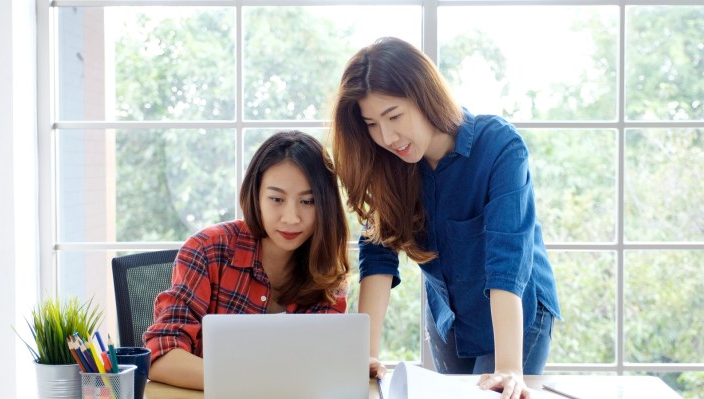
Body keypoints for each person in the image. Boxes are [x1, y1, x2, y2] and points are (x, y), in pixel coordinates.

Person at [330, 37, 561, 399]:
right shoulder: (388, 164)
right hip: (449, 316)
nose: (387, 137)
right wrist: (366, 355)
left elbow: (507, 261)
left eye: (394, 116)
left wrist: (509, 368)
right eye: (372, 124)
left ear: (424, 96)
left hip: (517, 312)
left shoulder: (499, 147)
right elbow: (378, 256)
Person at [143, 130, 351, 390]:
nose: (291, 217)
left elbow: (320, 367)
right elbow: (161, 356)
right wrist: (249, 383)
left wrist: (349, 363)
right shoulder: (207, 250)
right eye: (276, 199)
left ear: (326, 205)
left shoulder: (326, 271)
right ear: (256, 196)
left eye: (308, 201)